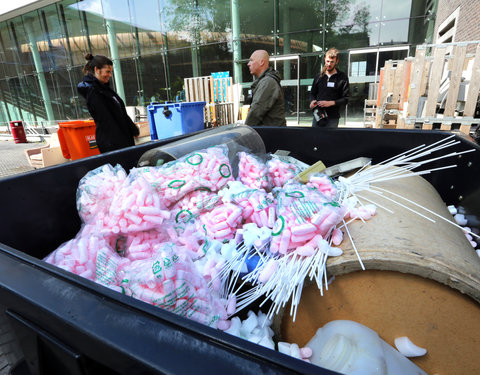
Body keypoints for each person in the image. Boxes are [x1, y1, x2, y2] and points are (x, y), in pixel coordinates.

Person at [77, 54, 139, 153]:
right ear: (97, 69)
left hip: (122, 139)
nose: (110, 75)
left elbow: (120, 113)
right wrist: (121, 142)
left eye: (111, 72)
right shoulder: (94, 92)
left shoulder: (105, 89)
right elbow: (106, 120)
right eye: (108, 72)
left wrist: (132, 129)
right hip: (113, 143)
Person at [309, 48, 349, 128]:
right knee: (313, 139)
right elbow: (312, 93)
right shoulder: (318, 76)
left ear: (336, 61)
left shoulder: (342, 77)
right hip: (318, 116)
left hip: (333, 118)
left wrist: (330, 103)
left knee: (330, 140)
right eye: (327, 61)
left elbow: (346, 99)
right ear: (324, 59)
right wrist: (312, 101)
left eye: (332, 62)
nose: (329, 64)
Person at [245, 50, 286, 126]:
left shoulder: (268, 82)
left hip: (271, 134)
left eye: (251, 60)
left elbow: (256, 111)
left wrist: (245, 130)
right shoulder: (265, 81)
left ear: (262, 62)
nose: (248, 64)